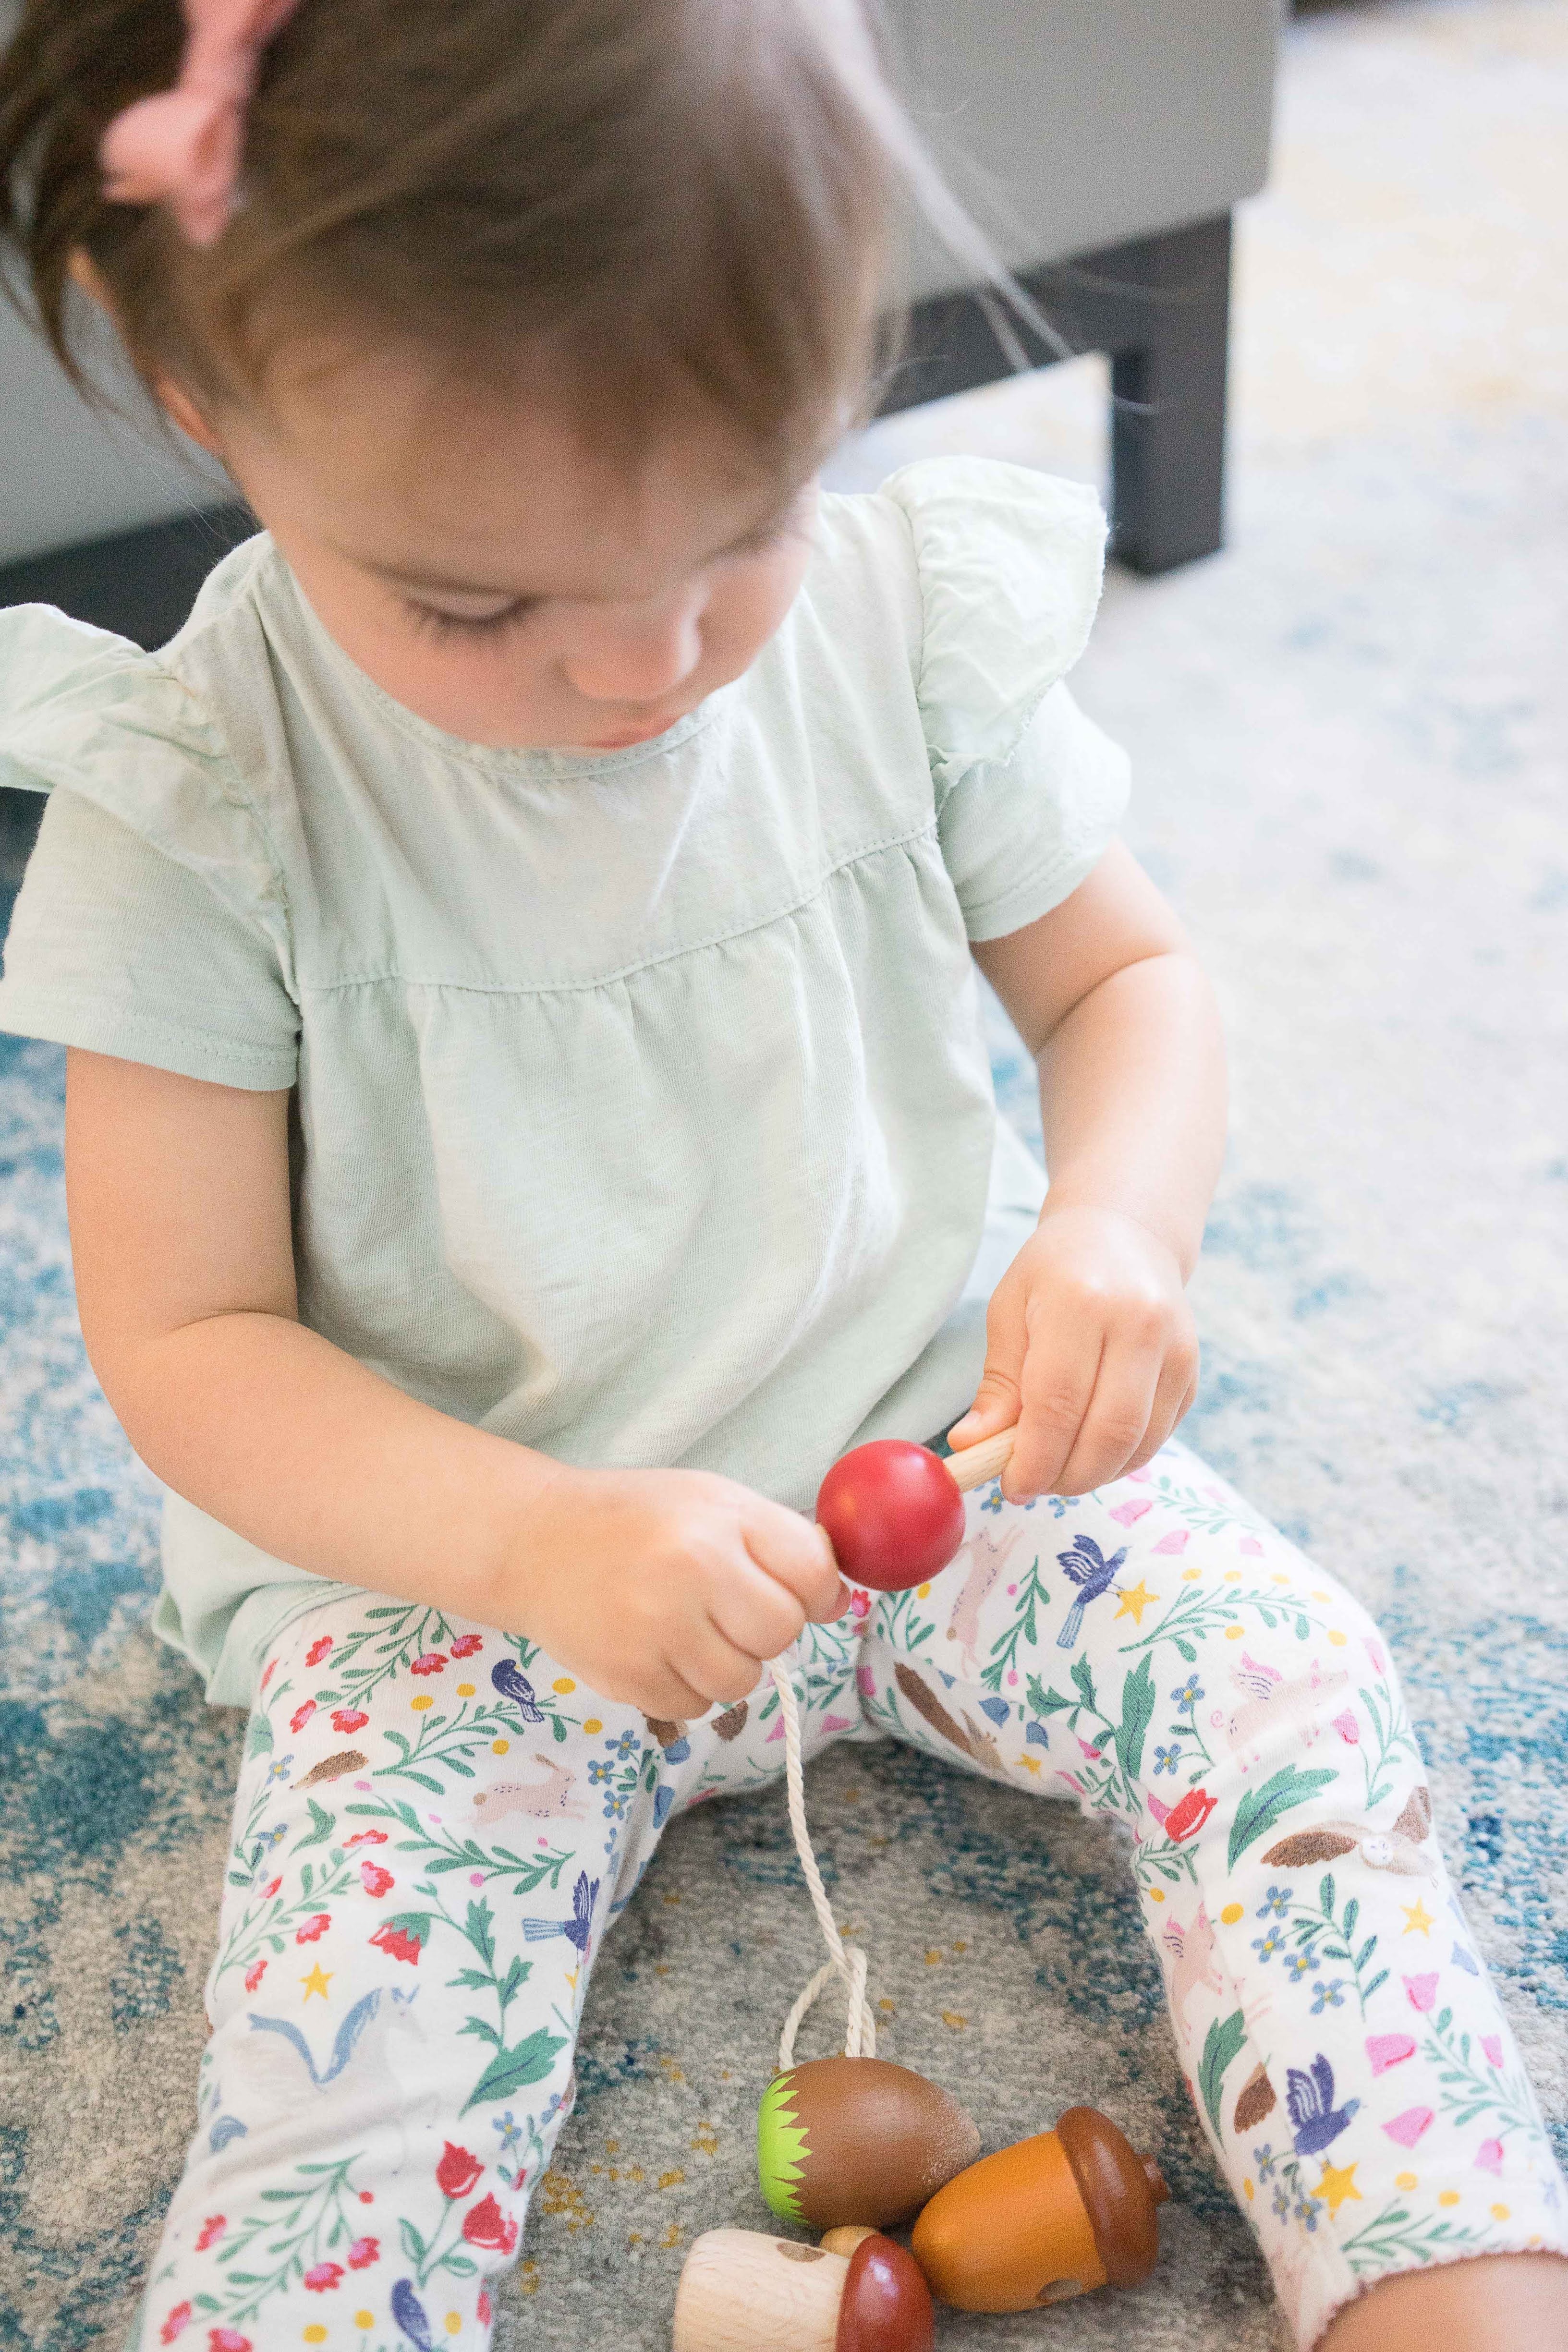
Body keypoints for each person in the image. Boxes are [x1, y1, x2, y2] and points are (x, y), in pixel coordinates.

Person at [0, 2, 1562, 2346]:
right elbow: (186, 1342)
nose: (646, 662)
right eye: (478, 600)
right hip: (460, 1570)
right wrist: (528, 1535)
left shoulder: (891, 622)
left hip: (928, 1434)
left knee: (1292, 1703)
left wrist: (1112, 1223)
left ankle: (1445, 2282)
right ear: (211, 402)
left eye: (740, 522)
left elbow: (1124, 985)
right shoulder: (200, 798)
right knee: (345, 2047)